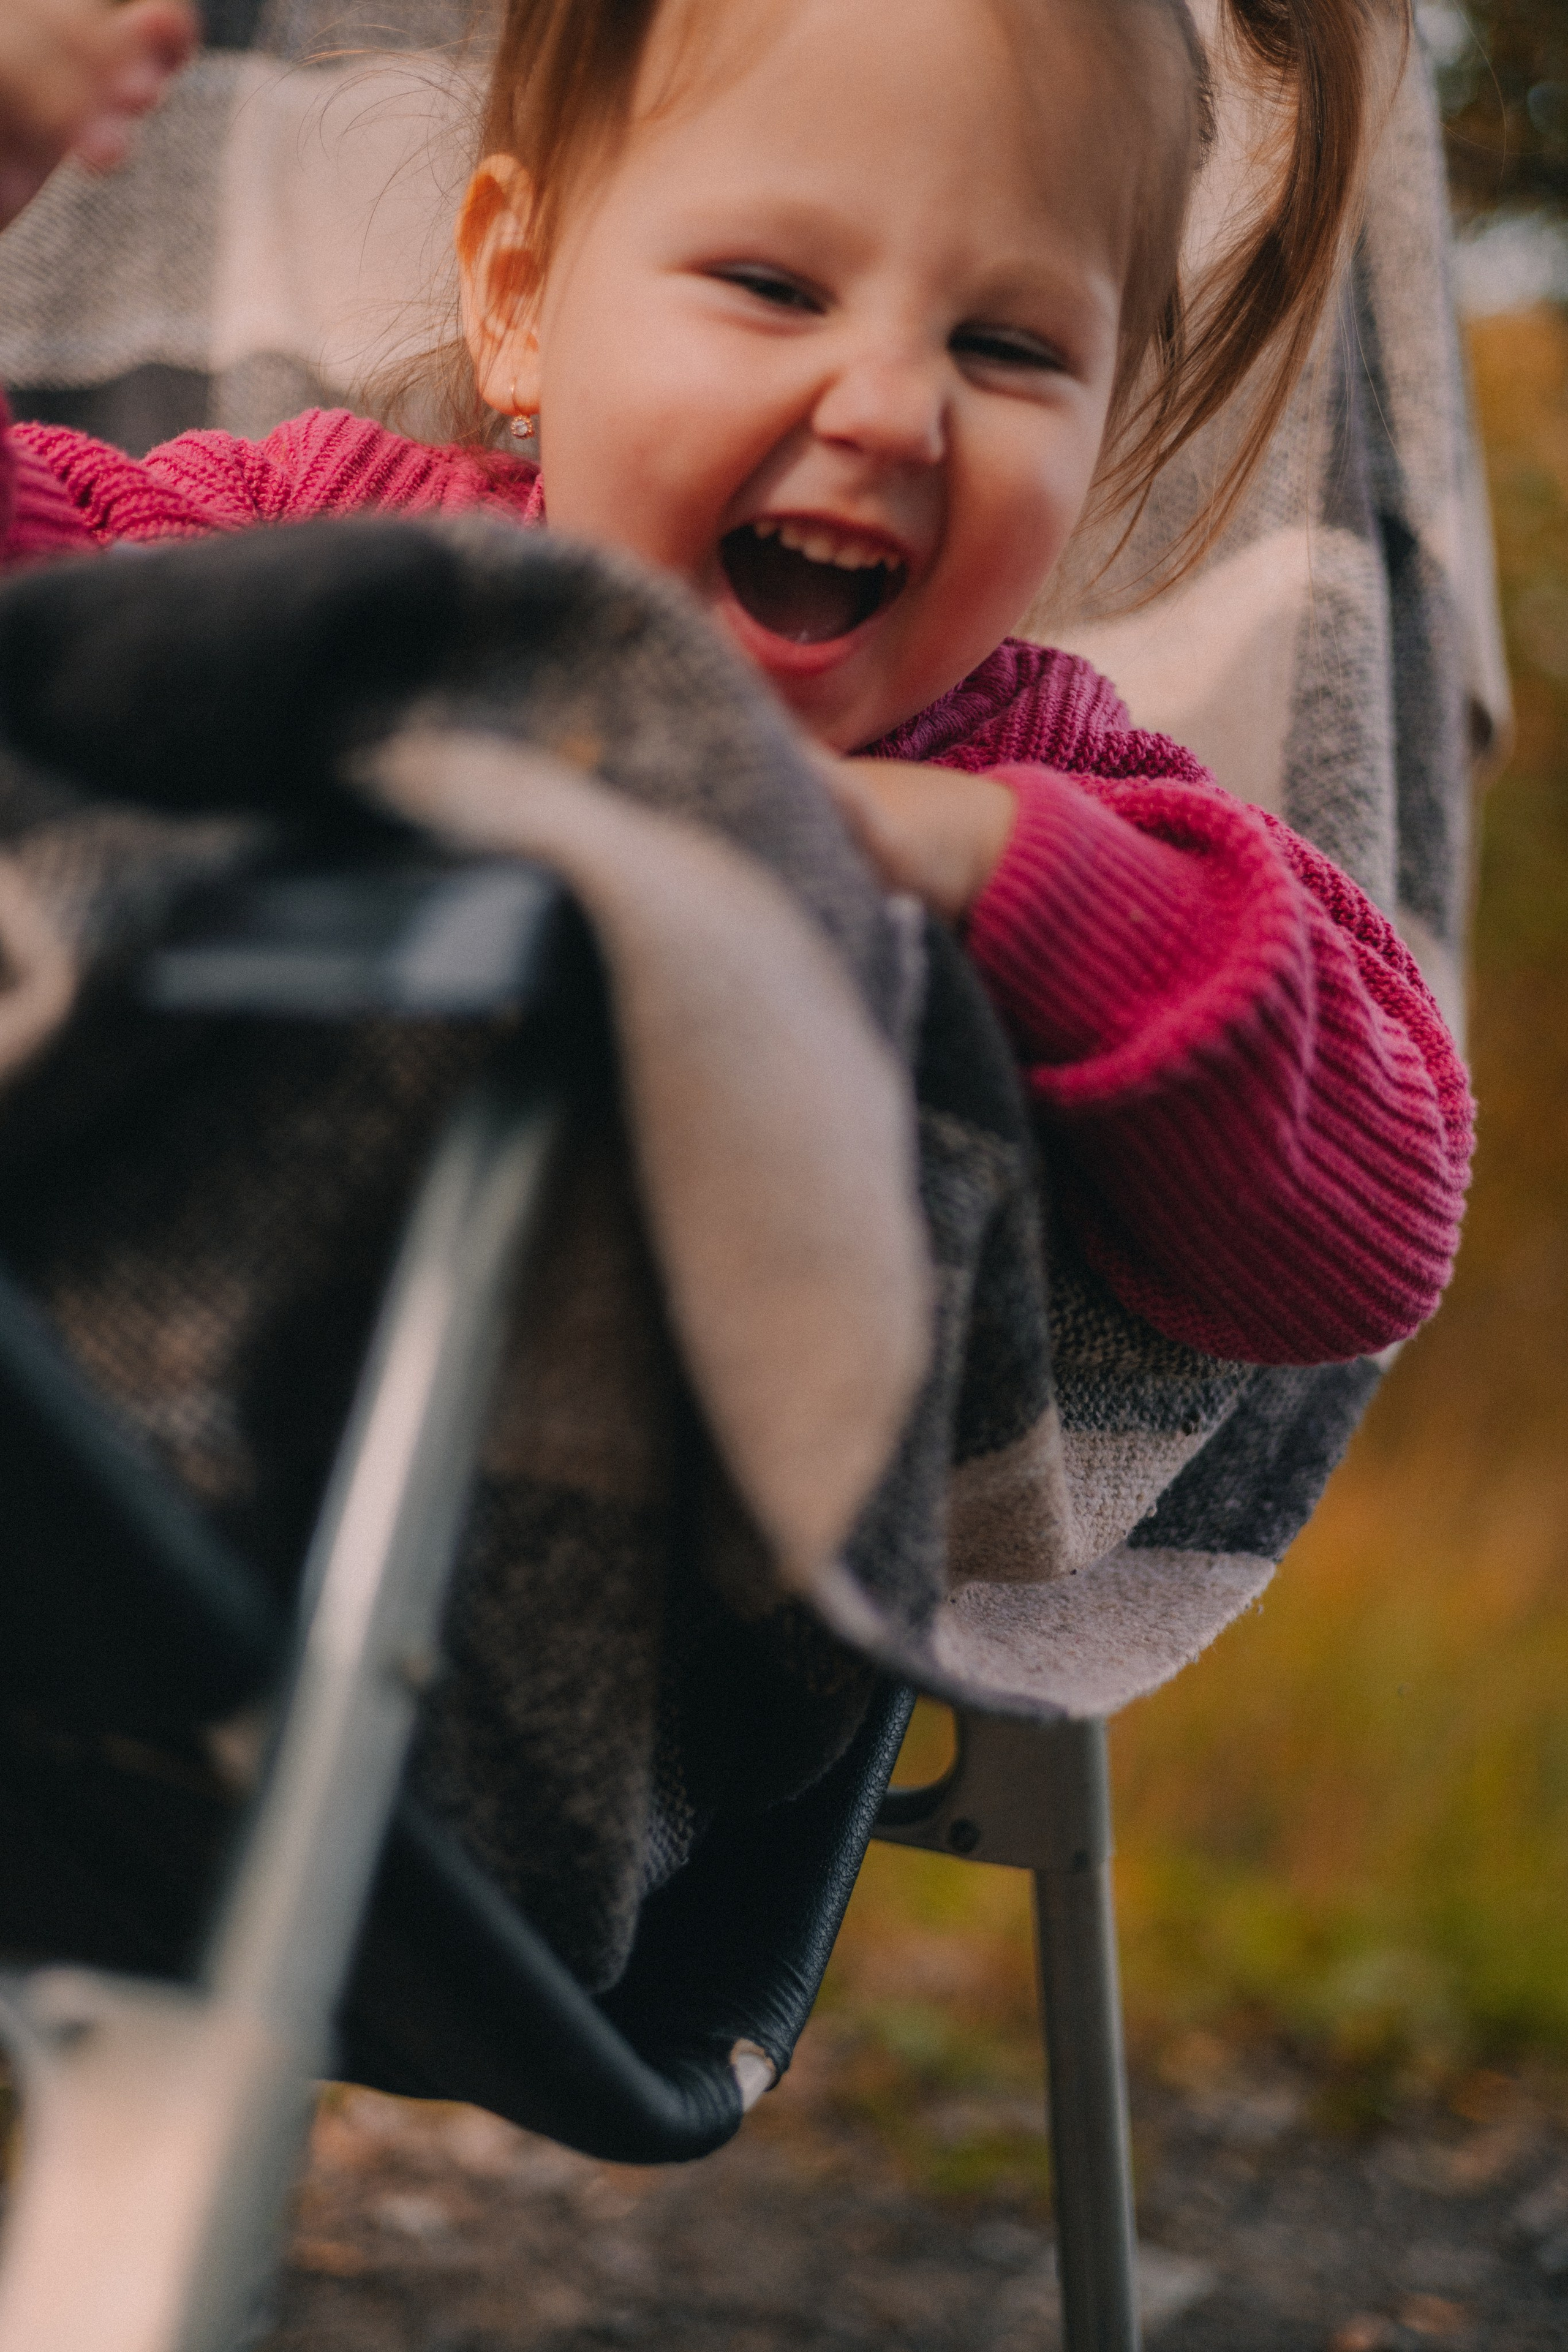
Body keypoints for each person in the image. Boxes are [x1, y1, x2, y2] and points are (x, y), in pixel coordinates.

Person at [0, 0, 1471, 1369]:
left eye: (1006, 347)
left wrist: (986, 867)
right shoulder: (328, 557)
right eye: (773, 289)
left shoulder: (1036, 782)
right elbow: (38, 625)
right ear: (520, 295)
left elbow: (1383, 1207)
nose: (891, 411)